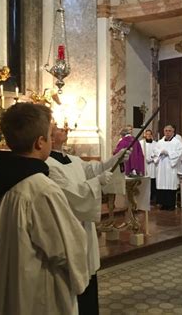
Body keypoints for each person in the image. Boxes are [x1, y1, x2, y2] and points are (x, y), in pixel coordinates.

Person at [0, 103, 90, 315]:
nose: (52, 141)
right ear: (40, 142)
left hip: (3, 285)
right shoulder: (41, 189)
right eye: (50, 136)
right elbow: (67, 249)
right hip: (35, 293)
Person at [47, 124, 128, 315]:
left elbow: (94, 168)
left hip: (86, 227)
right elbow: (70, 193)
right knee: (73, 279)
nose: (63, 129)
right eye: (57, 129)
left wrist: (116, 158)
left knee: (89, 276)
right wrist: (96, 182)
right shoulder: (48, 165)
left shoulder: (72, 159)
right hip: (68, 227)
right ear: (49, 137)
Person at [154, 125, 182, 210]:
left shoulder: (176, 142)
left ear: (173, 132)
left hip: (171, 166)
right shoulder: (160, 142)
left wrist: (168, 153)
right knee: (162, 184)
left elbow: (180, 152)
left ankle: (170, 205)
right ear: (164, 131)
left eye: (169, 131)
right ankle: (163, 204)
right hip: (161, 165)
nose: (167, 132)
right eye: (166, 131)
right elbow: (155, 151)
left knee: (170, 184)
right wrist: (160, 152)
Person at [141, 129, 157, 204]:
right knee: (145, 181)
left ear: (152, 135)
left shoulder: (155, 144)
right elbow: (139, 153)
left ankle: (152, 198)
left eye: (150, 134)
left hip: (152, 164)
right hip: (144, 164)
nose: (148, 135)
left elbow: (157, 153)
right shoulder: (141, 143)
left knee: (152, 182)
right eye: (147, 134)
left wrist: (152, 159)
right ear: (144, 135)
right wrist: (144, 159)